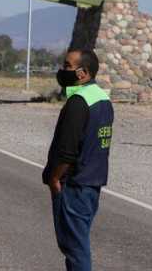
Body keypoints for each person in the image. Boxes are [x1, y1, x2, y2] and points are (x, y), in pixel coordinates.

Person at [43, 48, 113, 271]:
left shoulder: (78, 102)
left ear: (82, 73)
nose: (62, 70)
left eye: (67, 66)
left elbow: (67, 151)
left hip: (74, 185)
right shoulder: (103, 99)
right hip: (92, 184)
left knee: (75, 248)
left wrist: (55, 178)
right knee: (78, 243)